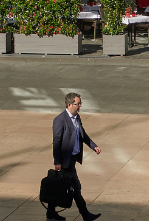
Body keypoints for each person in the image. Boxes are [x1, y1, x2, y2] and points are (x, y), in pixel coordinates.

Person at [50, 92, 102, 221]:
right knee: (75, 187)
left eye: (80, 103)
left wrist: (93, 146)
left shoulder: (77, 117)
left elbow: (82, 135)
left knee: (61, 187)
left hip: (73, 159)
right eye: (77, 104)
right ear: (69, 104)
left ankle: (50, 213)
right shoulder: (60, 120)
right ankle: (85, 215)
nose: (80, 106)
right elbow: (56, 142)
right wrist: (57, 161)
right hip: (65, 161)